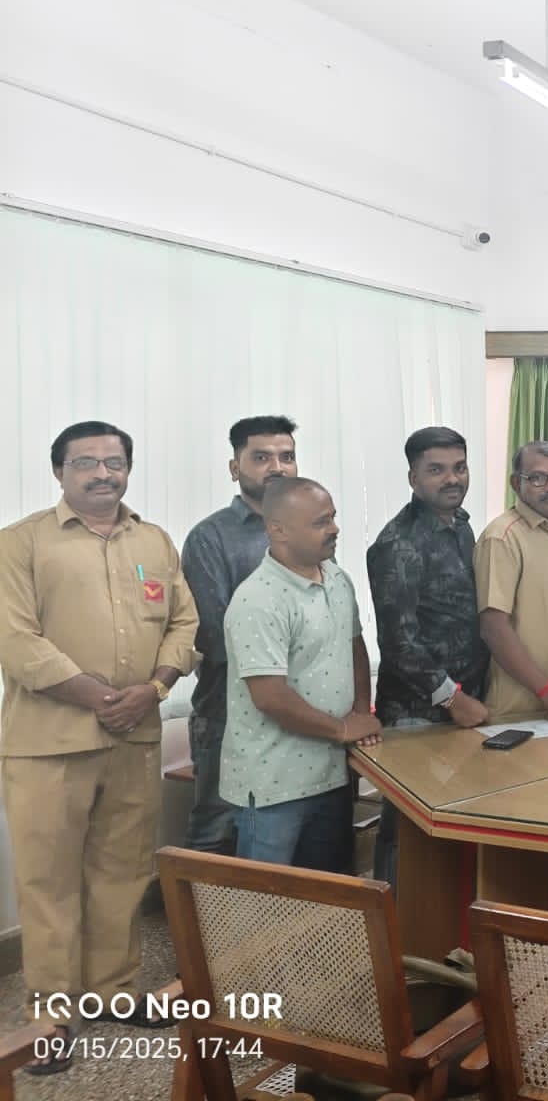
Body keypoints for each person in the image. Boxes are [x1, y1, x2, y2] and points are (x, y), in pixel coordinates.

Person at [0, 422, 198, 1066]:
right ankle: (51, 1014)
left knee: (123, 871)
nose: (102, 473)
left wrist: (155, 688)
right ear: (58, 471)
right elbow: (16, 641)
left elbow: (184, 623)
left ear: (128, 469)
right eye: (85, 462)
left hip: (135, 737)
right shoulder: (20, 543)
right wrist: (100, 698)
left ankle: (112, 990)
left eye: (114, 462)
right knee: (49, 882)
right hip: (49, 743)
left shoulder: (154, 540)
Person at [222, 477, 381, 872]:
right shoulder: (259, 599)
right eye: (320, 522)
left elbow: (354, 645)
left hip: (331, 773)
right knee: (267, 900)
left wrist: (360, 713)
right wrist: (343, 730)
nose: (334, 529)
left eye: (333, 518)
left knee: (330, 892)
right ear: (278, 530)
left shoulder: (337, 579)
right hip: (275, 785)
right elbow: (270, 697)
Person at [367, 426, 490, 886]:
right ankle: (395, 919)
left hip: (467, 705)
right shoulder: (397, 544)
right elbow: (399, 642)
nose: (452, 479)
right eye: (436, 470)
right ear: (413, 478)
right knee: (407, 829)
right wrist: (452, 698)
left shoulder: (461, 527)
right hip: (418, 713)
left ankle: (442, 917)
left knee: (453, 822)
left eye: (459, 467)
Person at [180, 414, 298, 856]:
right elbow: (215, 635)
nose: (277, 467)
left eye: (287, 457)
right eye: (262, 457)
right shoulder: (211, 538)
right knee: (217, 831)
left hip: (300, 713)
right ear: (235, 468)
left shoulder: (308, 530)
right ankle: (198, 907)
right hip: (229, 715)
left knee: (282, 833)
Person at [474, 440, 548, 721]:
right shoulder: (502, 538)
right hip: (523, 709)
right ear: (517, 483)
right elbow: (493, 628)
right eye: (538, 478)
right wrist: (547, 691)